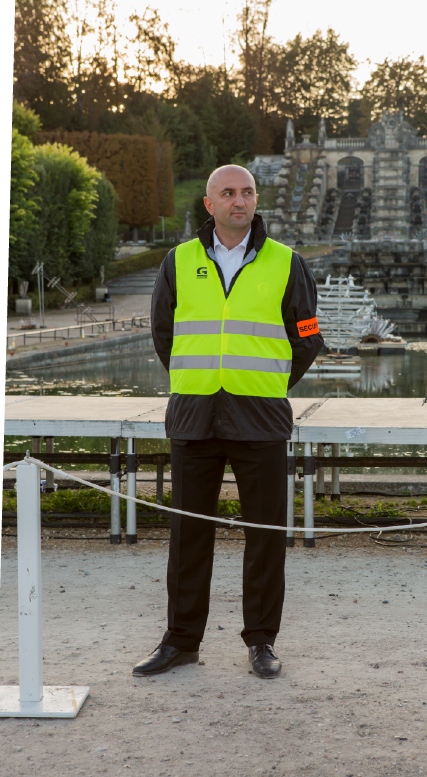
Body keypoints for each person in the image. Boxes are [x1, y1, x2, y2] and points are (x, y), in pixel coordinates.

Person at [139, 164, 322, 680]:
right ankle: (181, 642)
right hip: (195, 416)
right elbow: (163, 332)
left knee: (264, 535)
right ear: (209, 203)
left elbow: (306, 336)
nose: (239, 201)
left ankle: (262, 642)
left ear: (255, 199)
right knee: (187, 534)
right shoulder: (179, 261)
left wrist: (267, 386)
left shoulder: (288, 262)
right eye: (228, 193)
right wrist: (199, 381)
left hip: (259, 420)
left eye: (247, 193)